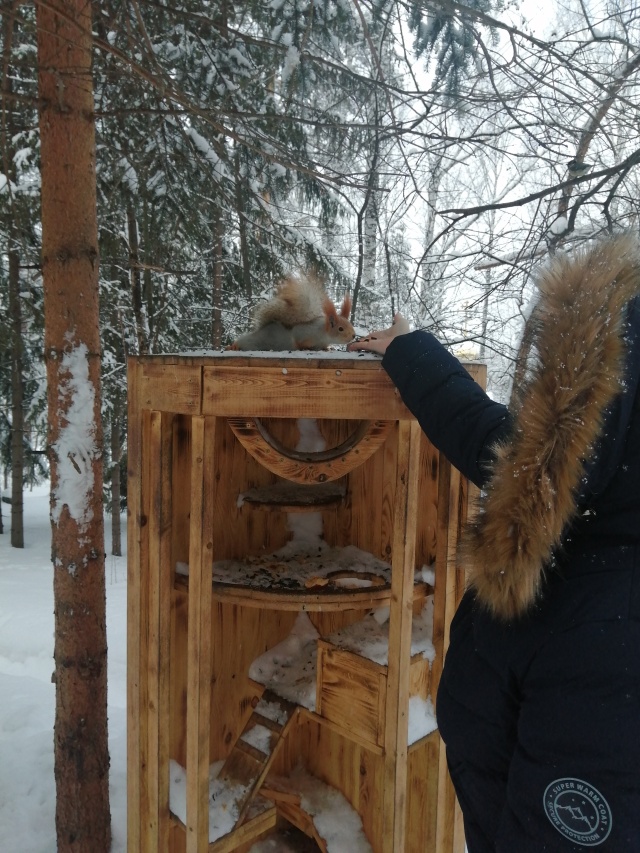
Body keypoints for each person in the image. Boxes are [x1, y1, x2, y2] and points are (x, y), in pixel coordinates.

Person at [348, 236, 640, 852]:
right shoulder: (599, 524)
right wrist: (413, 351)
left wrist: (412, 351)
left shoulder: (606, 633)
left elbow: (529, 463)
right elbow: (515, 450)